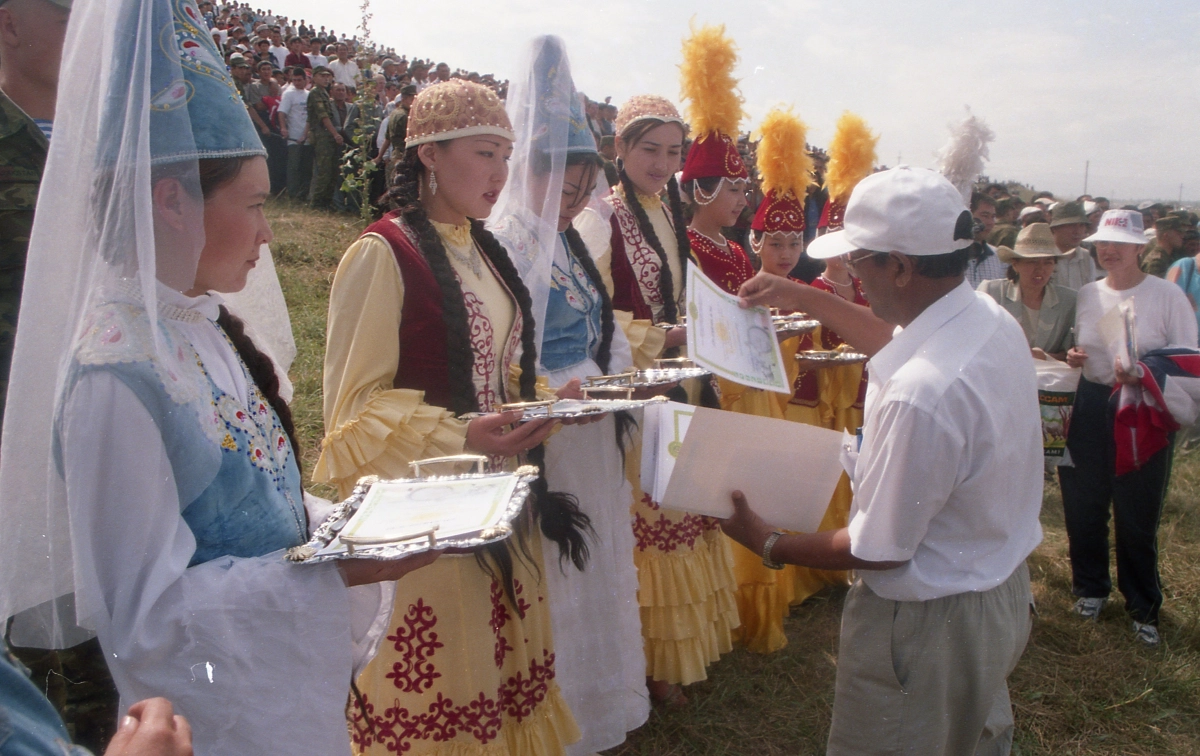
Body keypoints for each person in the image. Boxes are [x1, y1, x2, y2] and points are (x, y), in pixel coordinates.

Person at [0, 0, 444, 752]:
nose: (270, 234)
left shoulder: (194, 325)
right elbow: (147, 617)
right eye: (255, 205)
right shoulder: (116, 377)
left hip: (274, 697)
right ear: (171, 201)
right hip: (209, 720)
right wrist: (333, 572)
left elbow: (245, 495)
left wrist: (345, 526)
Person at [727, 166, 1042, 755]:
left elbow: (880, 547)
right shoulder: (989, 322)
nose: (849, 274)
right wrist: (802, 295)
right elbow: (896, 341)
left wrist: (769, 543)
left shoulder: (922, 395)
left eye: (860, 261)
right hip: (994, 593)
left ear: (899, 265)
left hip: (927, 624)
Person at [316, 79, 586, 755]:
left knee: (494, 670)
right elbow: (352, 411)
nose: (501, 173)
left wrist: (547, 400)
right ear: (429, 155)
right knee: (438, 684)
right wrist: (460, 432)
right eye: (484, 153)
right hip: (426, 514)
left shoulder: (483, 250)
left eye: (506, 155)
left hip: (497, 498)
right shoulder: (381, 252)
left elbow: (495, 370)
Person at [489, 36, 649, 755]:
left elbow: (599, 322)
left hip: (592, 417)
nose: (577, 201)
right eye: (567, 186)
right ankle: (564, 716)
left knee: (601, 556)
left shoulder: (566, 241)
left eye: (586, 189)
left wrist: (621, 379)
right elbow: (502, 351)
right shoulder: (511, 242)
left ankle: (601, 703)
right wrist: (562, 391)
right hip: (553, 424)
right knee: (561, 568)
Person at [575, 92, 738, 706]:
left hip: (680, 374)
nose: (663, 163)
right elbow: (589, 314)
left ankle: (679, 649)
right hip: (638, 380)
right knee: (654, 517)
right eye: (650, 149)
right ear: (619, 148)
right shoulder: (602, 216)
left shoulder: (668, 209)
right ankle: (649, 663)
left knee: (684, 507)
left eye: (674, 152)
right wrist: (663, 336)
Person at [1061, 209, 1197, 647]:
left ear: (1141, 247)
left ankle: (1143, 605)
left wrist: (1143, 371)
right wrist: (1074, 357)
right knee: (1084, 503)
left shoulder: (1166, 294)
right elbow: (1080, 345)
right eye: (1102, 242)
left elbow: (1190, 359)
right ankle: (1090, 589)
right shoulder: (1087, 293)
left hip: (1142, 409)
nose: (1109, 250)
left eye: (1119, 243)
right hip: (1092, 403)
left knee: (1137, 510)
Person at [679, 25, 752, 295]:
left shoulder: (737, 252)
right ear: (701, 190)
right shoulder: (682, 249)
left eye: (744, 191)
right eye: (734, 190)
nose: (742, 201)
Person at [978, 223, 1076, 360]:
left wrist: (1043, 356)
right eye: (1032, 262)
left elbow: (1070, 354)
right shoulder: (991, 292)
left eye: (1048, 262)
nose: (1040, 269)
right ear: (1015, 264)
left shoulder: (1069, 300)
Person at [306, 65, 341, 210]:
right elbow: (323, 117)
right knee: (324, 170)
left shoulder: (324, 93)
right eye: (322, 76)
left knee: (332, 170)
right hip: (322, 135)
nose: (326, 79)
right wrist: (335, 134)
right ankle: (317, 203)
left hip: (327, 134)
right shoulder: (315, 93)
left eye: (328, 76)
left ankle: (326, 201)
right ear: (314, 77)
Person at [277, 66, 311, 200]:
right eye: (294, 80)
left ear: (305, 80)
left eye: (299, 80)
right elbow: (281, 112)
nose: (297, 83)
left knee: (306, 167)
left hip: (307, 136)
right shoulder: (289, 93)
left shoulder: (309, 94)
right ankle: (293, 194)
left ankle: (304, 194)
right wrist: (283, 128)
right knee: (294, 167)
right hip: (294, 136)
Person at [1048, 201, 1096, 290]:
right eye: (1071, 225)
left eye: (1081, 225)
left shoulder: (1086, 258)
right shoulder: (1043, 257)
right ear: (1055, 228)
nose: (1077, 231)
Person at [965, 192, 1006, 289]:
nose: (991, 222)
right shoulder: (949, 256)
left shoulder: (999, 258)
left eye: (993, 217)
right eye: (985, 216)